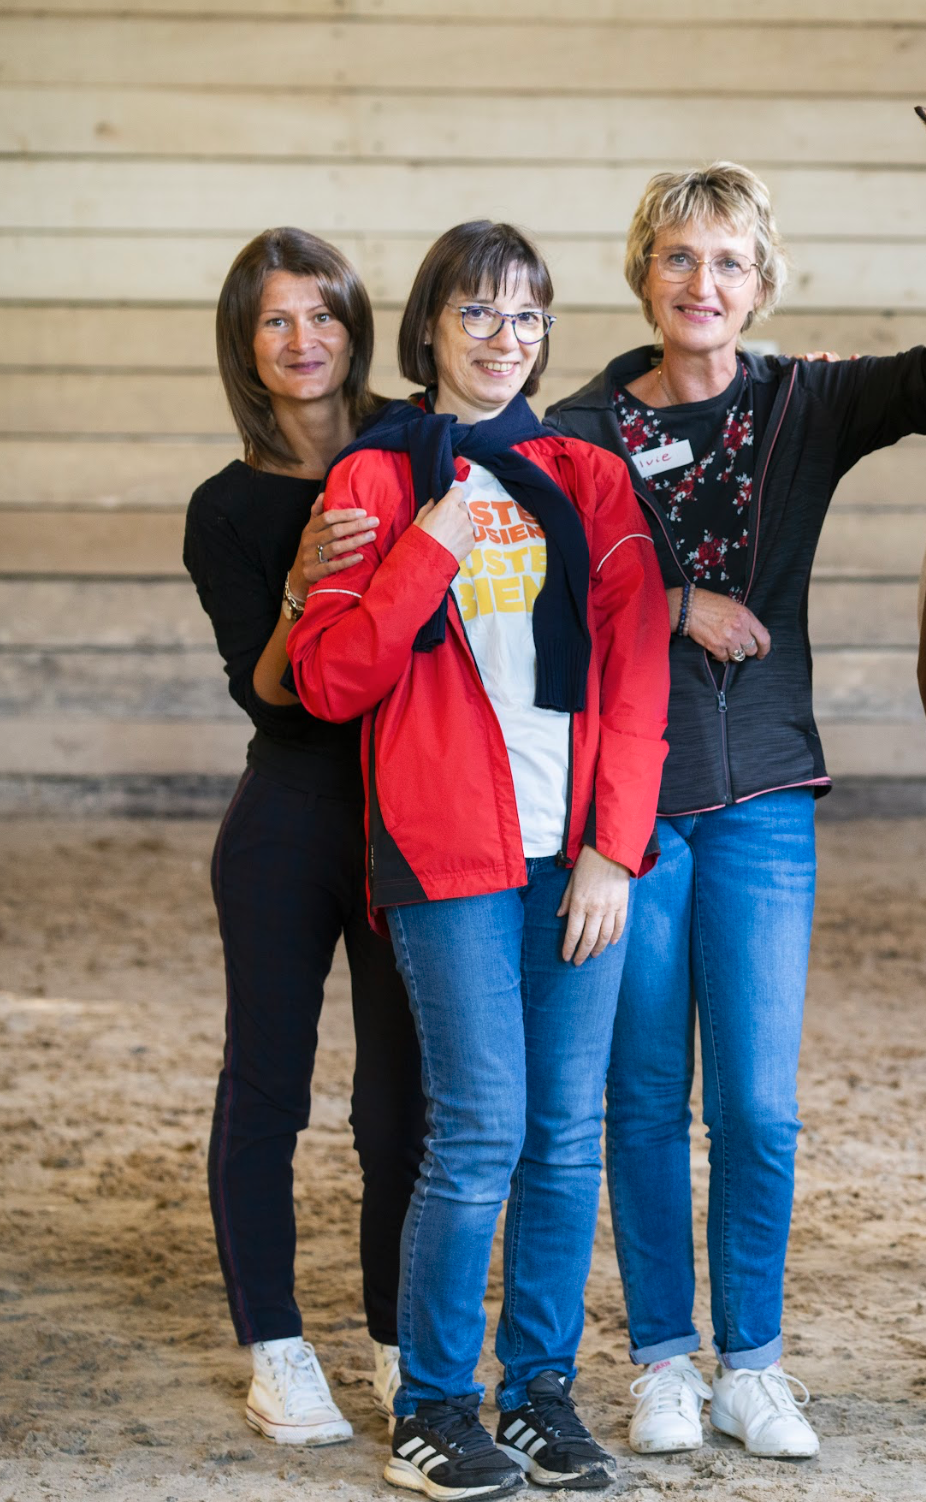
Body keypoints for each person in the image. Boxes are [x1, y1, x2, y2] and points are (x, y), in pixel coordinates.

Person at [542, 164, 926, 1459]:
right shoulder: (582, 425)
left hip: (768, 795)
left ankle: (755, 1362)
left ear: (763, 283)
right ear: (644, 273)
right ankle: (665, 1358)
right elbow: (551, 593)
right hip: (631, 809)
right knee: (643, 1093)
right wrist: (671, 606)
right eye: (679, 258)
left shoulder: (806, 401)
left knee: (759, 1108)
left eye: (729, 262)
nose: (703, 284)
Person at [289, 221, 670, 1500]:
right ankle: (435, 1402)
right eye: (479, 315)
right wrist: (431, 546)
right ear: (430, 329)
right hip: (448, 853)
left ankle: (537, 1393)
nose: (506, 342)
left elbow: (636, 671)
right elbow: (334, 680)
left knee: (569, 1135)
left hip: (578, 852)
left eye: (527, 319)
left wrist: (616, 849)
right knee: (482, 1131)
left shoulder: (587, 473)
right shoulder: (376, 478)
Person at [183, 228, 423, 1448]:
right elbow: (270, 691)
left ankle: (393, 1342)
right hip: (287, 814)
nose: (304, 340)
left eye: (321, 315)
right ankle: (275, 1348)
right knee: (267, 1087)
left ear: (352, 324)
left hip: (407, 818)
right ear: (249, 344)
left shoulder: (412, 445)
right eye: (276, 321)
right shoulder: (226, 508)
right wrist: (301, 581)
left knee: (400, 1108)